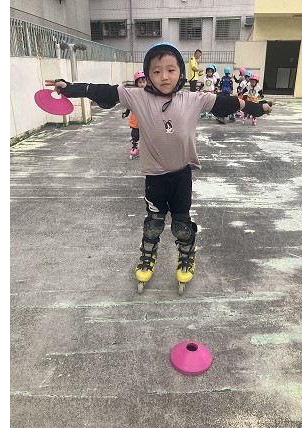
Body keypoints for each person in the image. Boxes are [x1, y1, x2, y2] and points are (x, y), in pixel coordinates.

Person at [44, 42, 272, 294]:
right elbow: (103, 91)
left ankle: (187, 255)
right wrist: (70, 88)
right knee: (153, 224)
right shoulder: (138, 97)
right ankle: (147, 254)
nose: (164, 76)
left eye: (170, 70)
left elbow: (230, 103)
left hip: (181, 176)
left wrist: (258, 108)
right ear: (148, 75)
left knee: (181, 224)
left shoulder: (194, 100)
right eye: (156, 71)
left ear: (181, 73)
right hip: (154, 177)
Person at [121, 70, 146, 159]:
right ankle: (135, 146)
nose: (142, 84)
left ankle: (148, 148)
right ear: (136, 83)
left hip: (145, 117)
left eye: (144, 82)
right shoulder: (134, 94)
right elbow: (130, 105)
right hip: (135, 118)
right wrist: (126, 113)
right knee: (135, 134)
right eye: (140, 82)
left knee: (147, 134)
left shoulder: (149, 93)